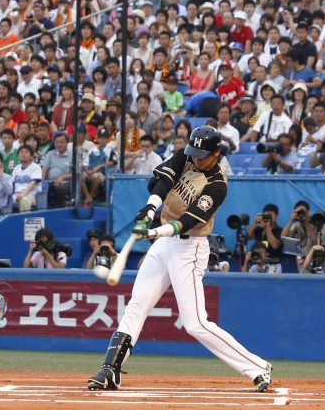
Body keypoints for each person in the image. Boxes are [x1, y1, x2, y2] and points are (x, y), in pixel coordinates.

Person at [87, 126, 272, 392]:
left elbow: (188, 221)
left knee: (195, 323)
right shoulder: (186, 156)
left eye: (203, 155)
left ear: (216, 153)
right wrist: (150, 208)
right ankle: (110, 370)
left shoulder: (218, 184)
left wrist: (152, 231)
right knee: (136, 305)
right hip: (163, 245)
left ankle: (257, 366)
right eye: (194, 153)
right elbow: (163, 182)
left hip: (190, 248)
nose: (196, 159)